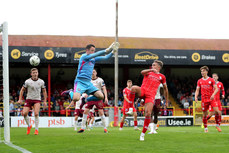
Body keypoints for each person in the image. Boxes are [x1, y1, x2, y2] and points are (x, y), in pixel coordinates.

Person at [61, 42, 119, 132]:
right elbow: (98, 54)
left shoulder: (93, 58)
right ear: (87, 50)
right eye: (92, 51)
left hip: (88, 83)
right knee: (76, 98)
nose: (93, 52)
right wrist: (107, 49)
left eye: (94, 51)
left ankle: (88, 99)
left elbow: (106, 57)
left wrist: (113, 52)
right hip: (80, 81)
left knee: (101, 96)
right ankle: (70, 92)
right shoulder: (84, 57)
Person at [128, 60, 169, 141]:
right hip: (143, 90)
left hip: (151, 95)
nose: (152, 66)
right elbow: (142, 72)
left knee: (148, 113)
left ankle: (142, 134)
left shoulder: (162, 77)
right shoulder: (148, 72)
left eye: (154, 65)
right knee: (133, 88)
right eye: (152, 65)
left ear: (158, 67)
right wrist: (151, 70)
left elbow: (165, 89)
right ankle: (130, 109)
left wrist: (166, 101)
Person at [78, 69, 110, 133]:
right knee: (85, 112)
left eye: (94, 72)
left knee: (101, 112)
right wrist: (85, 94)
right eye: (91, 72)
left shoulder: (100, 80)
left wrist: (106, 97)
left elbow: (104, 89)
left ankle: (105, 128)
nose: (92, 73)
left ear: (96, 73)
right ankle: (82, 128)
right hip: (90, 98)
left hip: (98, 98)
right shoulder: (88, 81)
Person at [18, 68, 47, 135]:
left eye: (36, 72)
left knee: (36, 113)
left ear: (38, 73)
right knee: (24, 113)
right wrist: (20, 99)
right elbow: (22, 90)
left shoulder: (41, 82)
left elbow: (44, 91)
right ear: (31, 74)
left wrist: (45, 101)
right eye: (33, 73)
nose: (35, 74)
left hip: (37, 99)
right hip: (29, 99)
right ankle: (29, 125)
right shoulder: (27, 81)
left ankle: (36, 129)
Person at [194, 66, 219, 133]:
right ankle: (205, 128)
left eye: (203, 71)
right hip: (204, 100)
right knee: (205, 115)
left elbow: (216, 89)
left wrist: (213, 95)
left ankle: (217, 125)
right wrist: (196, 97)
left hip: (211, 99)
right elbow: (197, 90)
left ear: (207, 72)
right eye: (201, 71)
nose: (202, 72)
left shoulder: (211, 80)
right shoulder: (199, 81)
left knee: (217, 111)